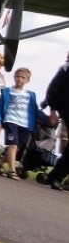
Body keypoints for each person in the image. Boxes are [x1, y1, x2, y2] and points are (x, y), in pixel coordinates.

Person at [0, 67, 38, 180]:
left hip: (25, 123)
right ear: (14, 77)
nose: (19, 79)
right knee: (13, 145)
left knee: (17, 147)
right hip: (10, 120)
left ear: (27, 80)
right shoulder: (7, 91)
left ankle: (0, 163)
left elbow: (35, 110)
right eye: (17, 76)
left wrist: (48, 119)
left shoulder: (31, 95)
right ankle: (12, 171)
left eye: (23, 77)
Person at [44, 51, 69, 190]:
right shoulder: (66, 68)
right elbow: (53, 89)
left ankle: (54, 176)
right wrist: (53, 110)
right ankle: (56, 177)